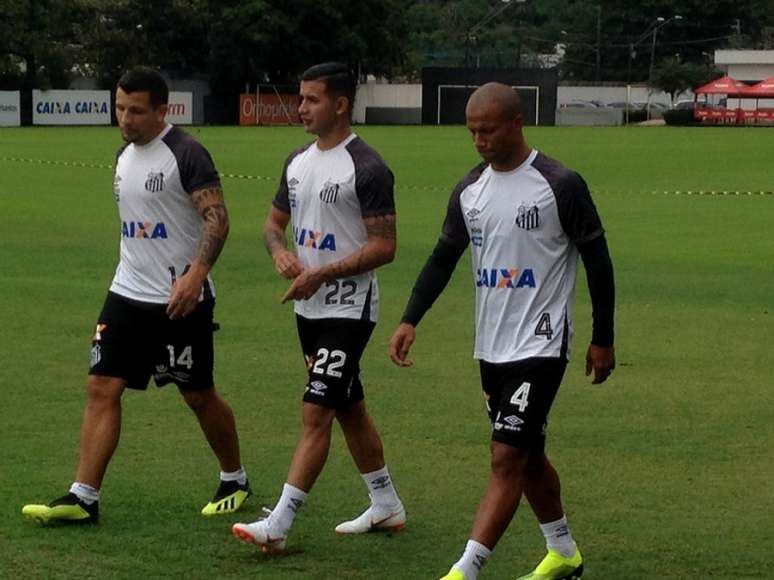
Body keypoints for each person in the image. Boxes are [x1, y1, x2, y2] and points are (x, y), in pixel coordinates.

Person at [389, 82, 616, 580]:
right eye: (471, 131)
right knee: (528, 451)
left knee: (506, 454)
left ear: (516, 122)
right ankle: (564, 553)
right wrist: (410, 318)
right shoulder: (470, 191)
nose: (479, 140)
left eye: (487, 130)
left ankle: (466, 569)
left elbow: (598, 260)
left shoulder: (560, 183)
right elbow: (443, 257)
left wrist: (603, 337)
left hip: (542, 340)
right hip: (491, 346)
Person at [22, 67, 250, 525]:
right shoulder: (124, 154)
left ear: (163, 110)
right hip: (126, 293)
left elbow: (217, 219)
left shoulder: (186, 154)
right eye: (120, 107)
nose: (125, 118)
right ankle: (83, 497)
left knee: (198, 395)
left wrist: (195, 275)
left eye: (136, 110)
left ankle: (235, 478)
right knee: (101, 386)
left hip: (179, 299)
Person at [231, 62, 405, 553]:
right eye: (300, 97)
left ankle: (280, 523)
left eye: (311, 99)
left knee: (317, 410)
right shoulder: (297, 162)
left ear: (340, 104)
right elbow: (271, 223)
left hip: (349, 308)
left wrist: (322, 273)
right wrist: (280, 251)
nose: (300, 107)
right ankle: (386, 502)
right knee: (348, 406)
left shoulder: (367, 167)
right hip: (307, 309)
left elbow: (385, 245)